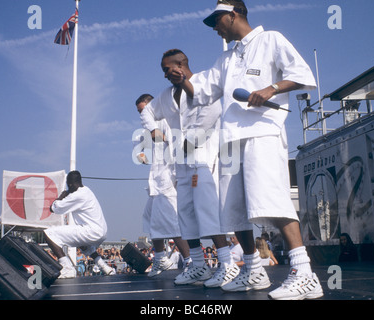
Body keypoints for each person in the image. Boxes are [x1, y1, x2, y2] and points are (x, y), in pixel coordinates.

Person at [173, 0, 323, 299]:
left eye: (217, 19)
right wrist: (181, 78)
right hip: (231, 140)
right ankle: (253, 270)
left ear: (233, 14)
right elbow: (201, 90)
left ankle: (304, 272)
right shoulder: (226, 59)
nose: (214, 27)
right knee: (234, 211)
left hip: (262, 132)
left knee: (273, 200)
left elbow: (303, 74)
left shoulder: (271, 39)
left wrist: (272, 89)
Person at [140, 49, 239, 288]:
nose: (165, 75)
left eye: (167, 69)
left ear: (180, 65)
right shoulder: (165, 95)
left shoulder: (203, 84)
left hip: (203, 160)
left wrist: (185, 142)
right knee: (184, 214)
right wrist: (153, 128)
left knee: (207, 211)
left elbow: (211, 113)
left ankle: (227, 264)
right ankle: (198, 265)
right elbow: (147, 111)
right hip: (181, 165)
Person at [134, 93, 191, 277]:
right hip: (156, 181)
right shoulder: (148, 130)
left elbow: (176, 146)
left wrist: (177, 179)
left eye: (143, 110)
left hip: (167, 180)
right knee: (150, 218)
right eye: (139, 112)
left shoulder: (166, 120)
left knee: (171, 222)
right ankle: (161, 259)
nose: (141, 115)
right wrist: (142, 156)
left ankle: (191, 262)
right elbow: (147, 151)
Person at [44, 170, 113, 278]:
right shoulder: (87, 190)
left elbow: (54, 208)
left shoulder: (76, 195)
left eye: (68, 186)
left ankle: (67, 268)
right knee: (82, 244)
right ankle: (104, 267)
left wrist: (62, 195)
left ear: (70, 184)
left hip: (92, 231)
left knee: (49, 234)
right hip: (101, 231)